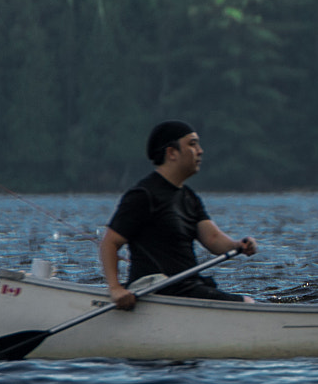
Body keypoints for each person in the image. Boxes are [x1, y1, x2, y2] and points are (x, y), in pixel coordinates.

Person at [99, 120, 259, 309]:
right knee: (247, 303)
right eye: (192, 144)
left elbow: (213, 239)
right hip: (157, 289)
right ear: (171, 153)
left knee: (246, 301)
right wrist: (116, 288)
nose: (200, 151)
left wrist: (238, 245)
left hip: (185, 288)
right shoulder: (143, 195)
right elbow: (109, 243)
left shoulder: (189, 197)